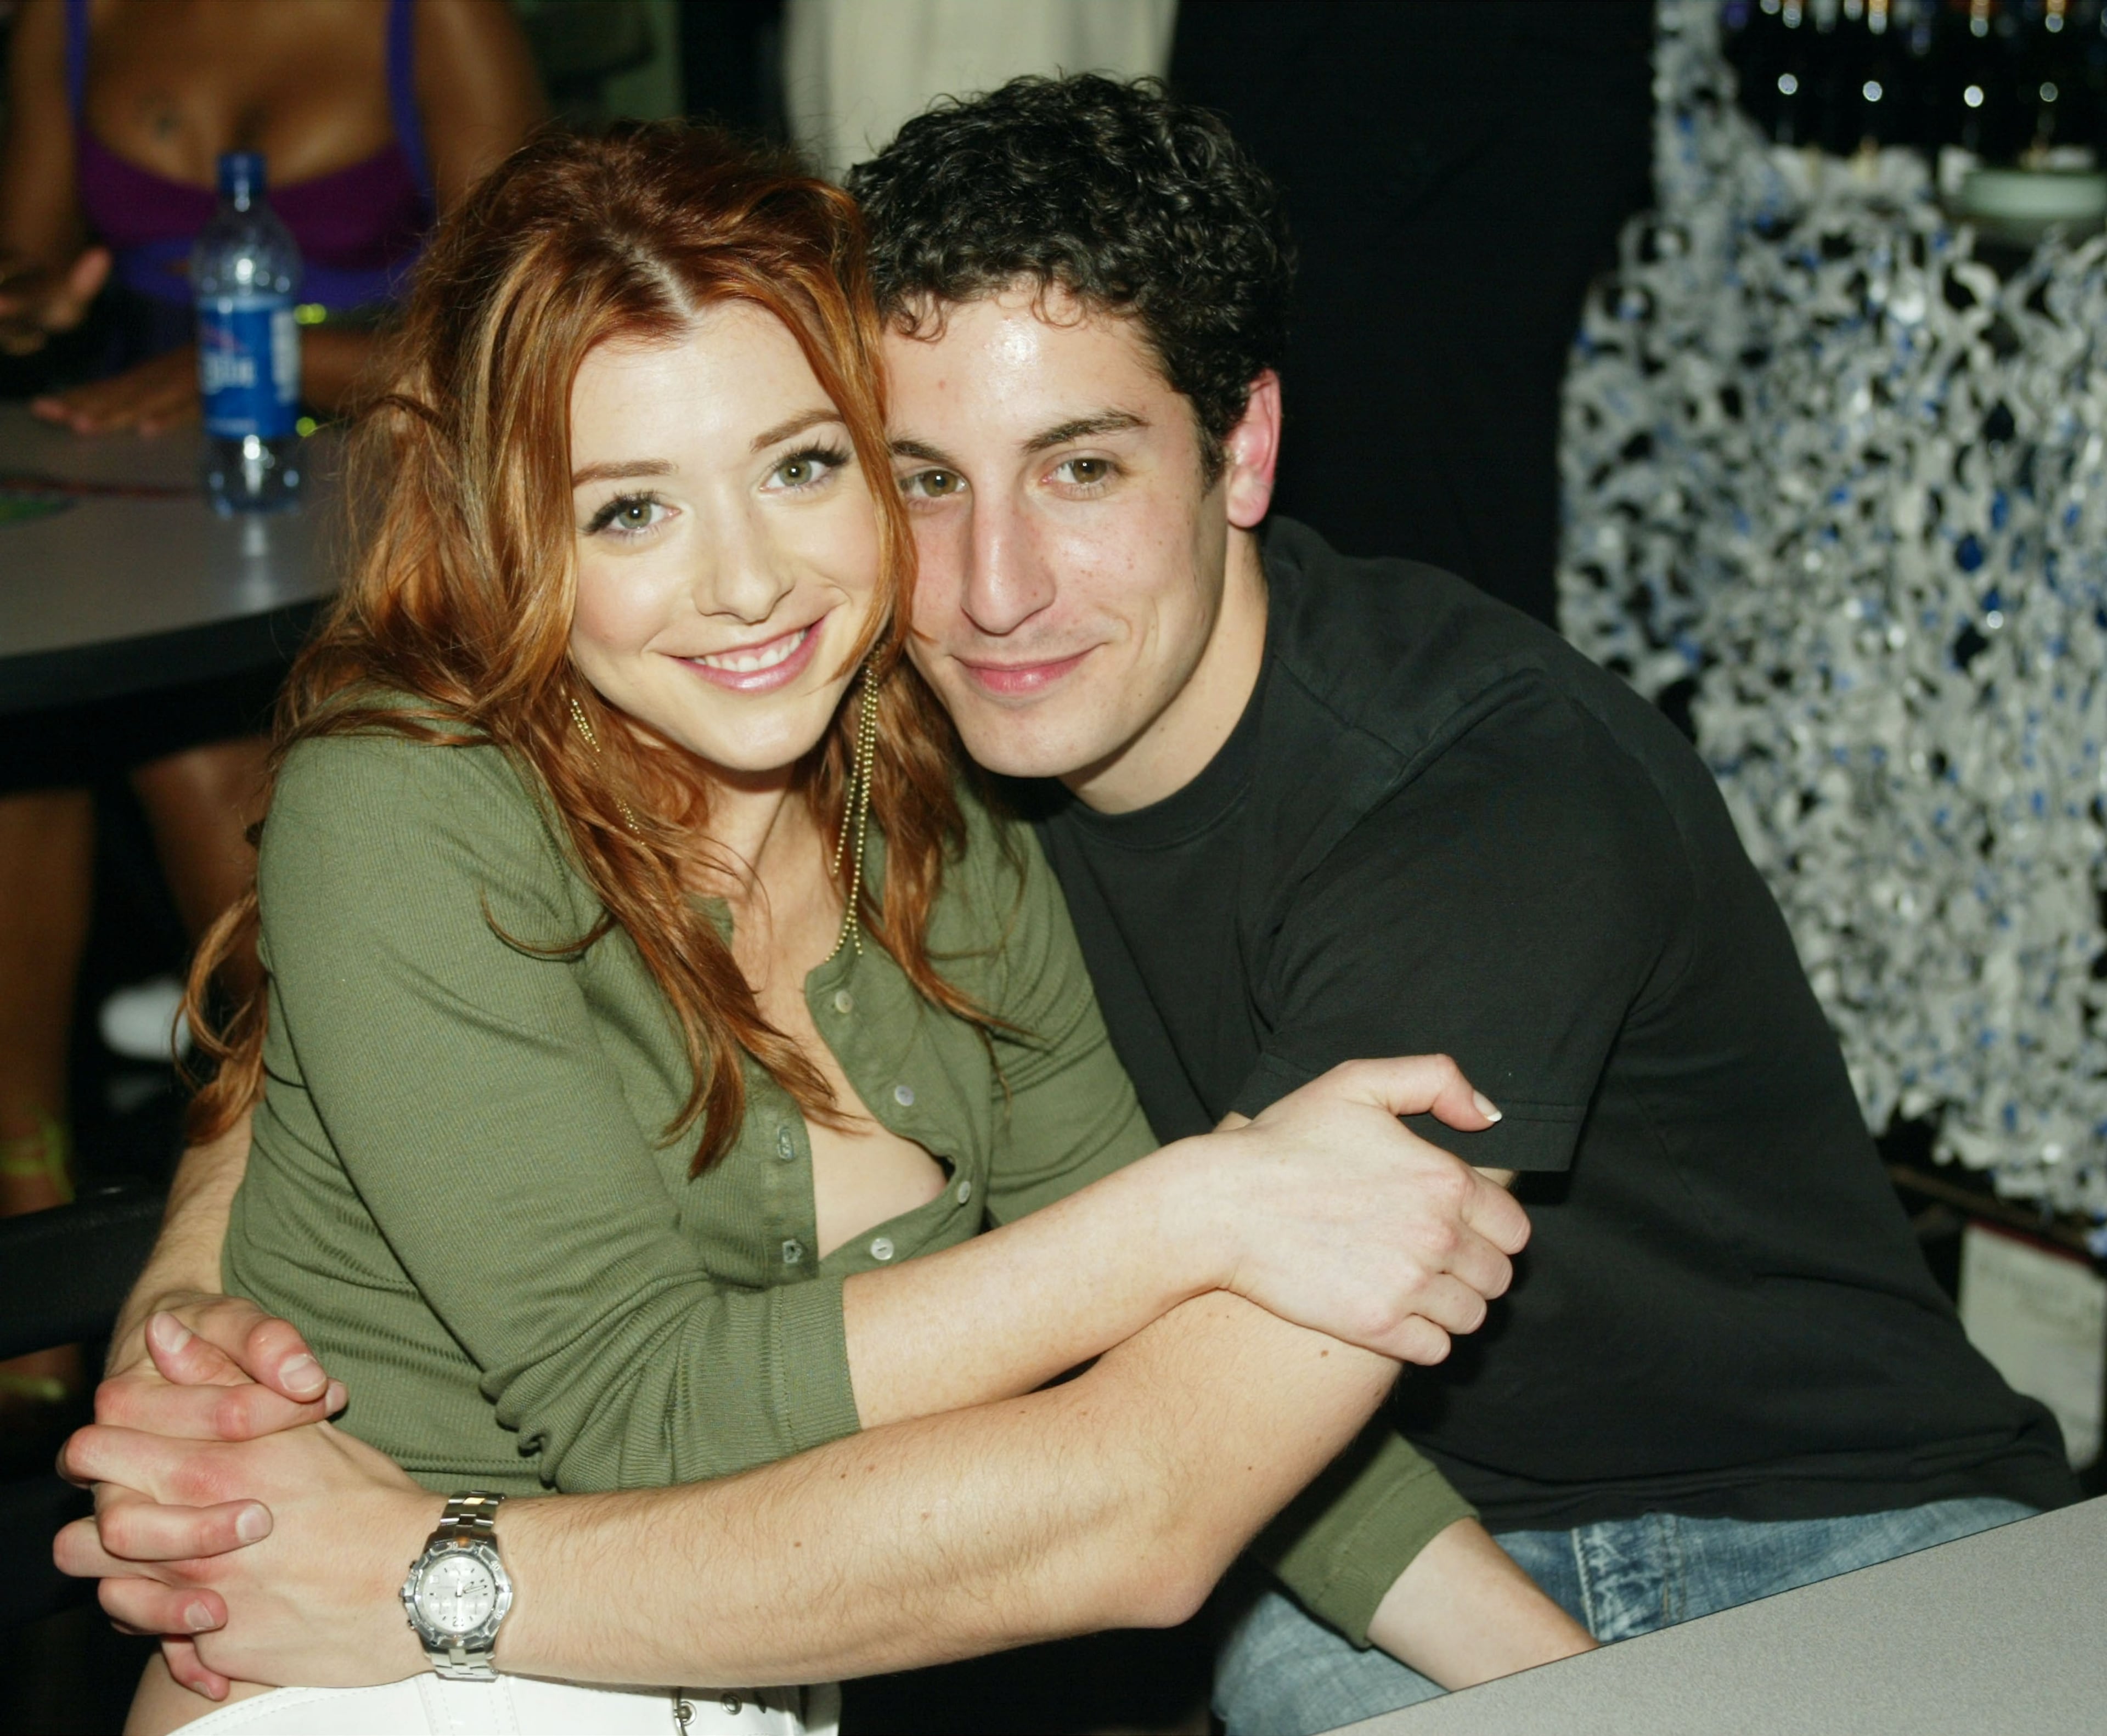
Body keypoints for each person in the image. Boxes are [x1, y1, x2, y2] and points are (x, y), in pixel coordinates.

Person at [66, 73, 2074, 1736]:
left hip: (1798, 1529)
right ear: (524, 532)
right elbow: (455, 1127)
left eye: (1083, 467)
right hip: (425, 1645)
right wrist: (198, 1310)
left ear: (1245, 445)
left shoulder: (1335, 807)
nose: (989, 583)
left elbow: (1176, 1465)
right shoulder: (791, 757)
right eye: (921, 477)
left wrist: (429, 1572)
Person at [0, 0, 539, 1439]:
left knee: (185, 748)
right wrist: (36, 305)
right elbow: (41, 268)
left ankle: (330, 1220)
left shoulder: (440, 23)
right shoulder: (70, 20)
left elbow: (536, 324)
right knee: (25, 748)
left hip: (386, 500)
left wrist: (276, 359)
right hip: (152, 498)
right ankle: (34, 1199)